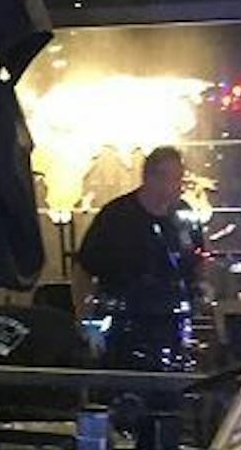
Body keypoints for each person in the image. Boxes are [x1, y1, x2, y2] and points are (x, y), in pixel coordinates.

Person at [71, 146, 198, 370]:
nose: (174, 186)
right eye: (167, 177)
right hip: (123, 326)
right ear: (148, 177)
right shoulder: (116, 216)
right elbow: (83, 270)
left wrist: (203, 288)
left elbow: (196, 260)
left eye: (178, 178)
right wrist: (85, 323)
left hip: (171, 324)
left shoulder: (183, 214)